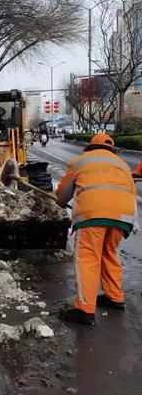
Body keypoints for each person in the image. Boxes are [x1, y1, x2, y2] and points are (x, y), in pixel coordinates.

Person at [56, 133, 137, 326]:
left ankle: (84, 309)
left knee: (88, 257)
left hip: (92, 215)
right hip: (123, 216)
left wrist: (61, 201)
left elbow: (62, 197)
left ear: (90, 147)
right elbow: (132, 194)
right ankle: (114, 297)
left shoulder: (80, 161)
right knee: (109, 253)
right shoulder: (122, 164)